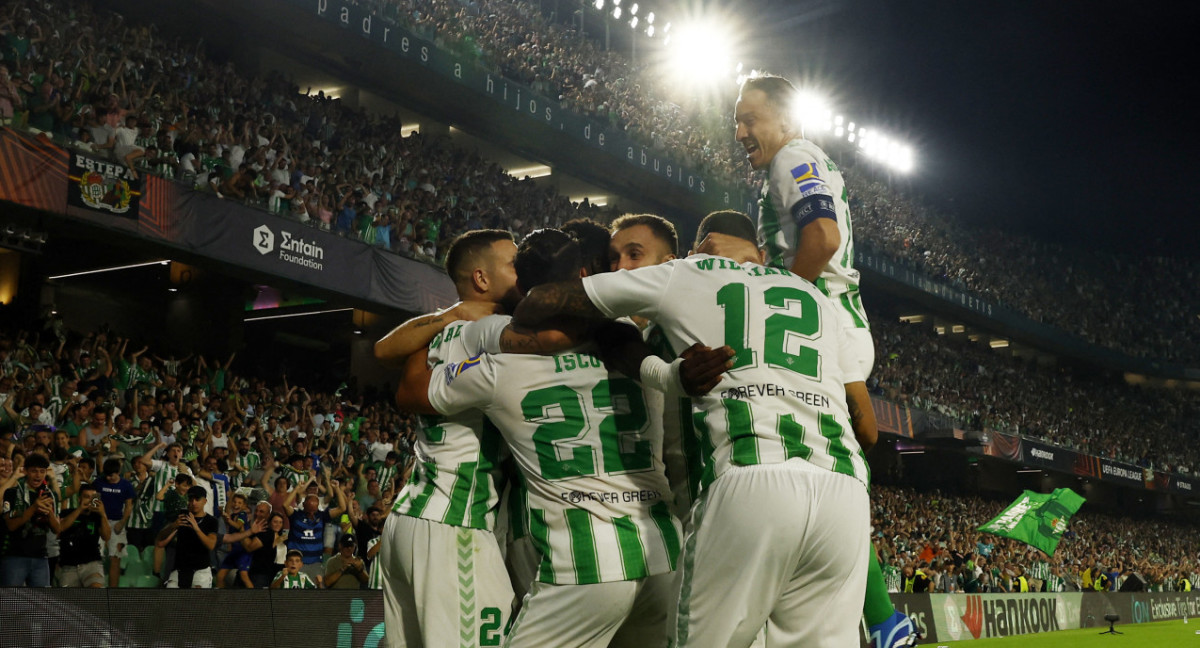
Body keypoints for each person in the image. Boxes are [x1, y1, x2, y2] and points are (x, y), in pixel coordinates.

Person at [510, 212, 875, 648]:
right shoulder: (814, 297)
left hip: (747, 478)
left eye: (633, 254)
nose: (622, 266)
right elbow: (865, 424)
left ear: (696, 248)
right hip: (845, 490)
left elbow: (542, 301)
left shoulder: (686, 274)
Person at [400, 229, 693, 648]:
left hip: (585, 565)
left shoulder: (497, 369)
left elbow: (412, 392)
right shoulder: (630, 336)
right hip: (664, 552)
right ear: (584, 274)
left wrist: (442, 325)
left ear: (521, 285)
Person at [727, 73, 914, 648]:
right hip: (832, 328)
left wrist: (776, 298)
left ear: (786, 120)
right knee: (825, 464)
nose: (739, 132)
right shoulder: (789, 165)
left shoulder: (795, 155)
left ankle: (883, 621)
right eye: (736, 121)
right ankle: (876, 619)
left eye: (748, 119)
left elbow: (824, 238)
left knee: (830, 467)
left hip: (824, 328)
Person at [374, 230, 520, 648]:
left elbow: (385, 351)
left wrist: (450, 314)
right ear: (481, 278)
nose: (523, 271)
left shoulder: (438, 333)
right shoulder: (502, 333)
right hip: (456, 522)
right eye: (513, 264)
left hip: (410, 518)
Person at [2, 453, 61, 586]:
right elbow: (11, 526)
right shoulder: (11, 493)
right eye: (34, 471)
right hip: (15, 557)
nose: (38, 475)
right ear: (26, 471)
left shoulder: (50, 495)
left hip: (41, 558)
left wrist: (49, 512)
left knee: (40, 604)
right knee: (11, 601)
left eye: (42, 471)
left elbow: (57, 529)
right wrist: (34, 507)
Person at [159, 485, 218, 588]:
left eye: (197, 499)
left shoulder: (211, 521)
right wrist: (174, 526)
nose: (194, 502)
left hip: (201, 570)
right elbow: (160, 539)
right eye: (191, 499)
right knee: (170, 601)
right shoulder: (180, 517)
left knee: (197, 602)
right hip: (179, 569)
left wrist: (196, 528)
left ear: (204, 501)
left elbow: (211, 545)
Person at [55, 481, 111, 587]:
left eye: (93, 497)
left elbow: (106, 536)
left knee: (96, 590)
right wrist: (80, 509)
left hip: (92, 563)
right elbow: (60, 528)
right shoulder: (67, 513)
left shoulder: (97, 516)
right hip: (69, 565)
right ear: (79, 499)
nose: (90, 500)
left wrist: (103, 514)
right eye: (86, 497)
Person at [97, 458, 135, 587]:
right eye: (106, 475)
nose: (108, 478)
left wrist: (122, 522)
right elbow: (94, 500)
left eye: (111, 475)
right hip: (100, 521)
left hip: (117, 522)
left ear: (118, 472)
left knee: (115, 558)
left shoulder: (126, 485)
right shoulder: (99, 482)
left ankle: (113, 592)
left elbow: (129, 506)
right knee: (97, 557)